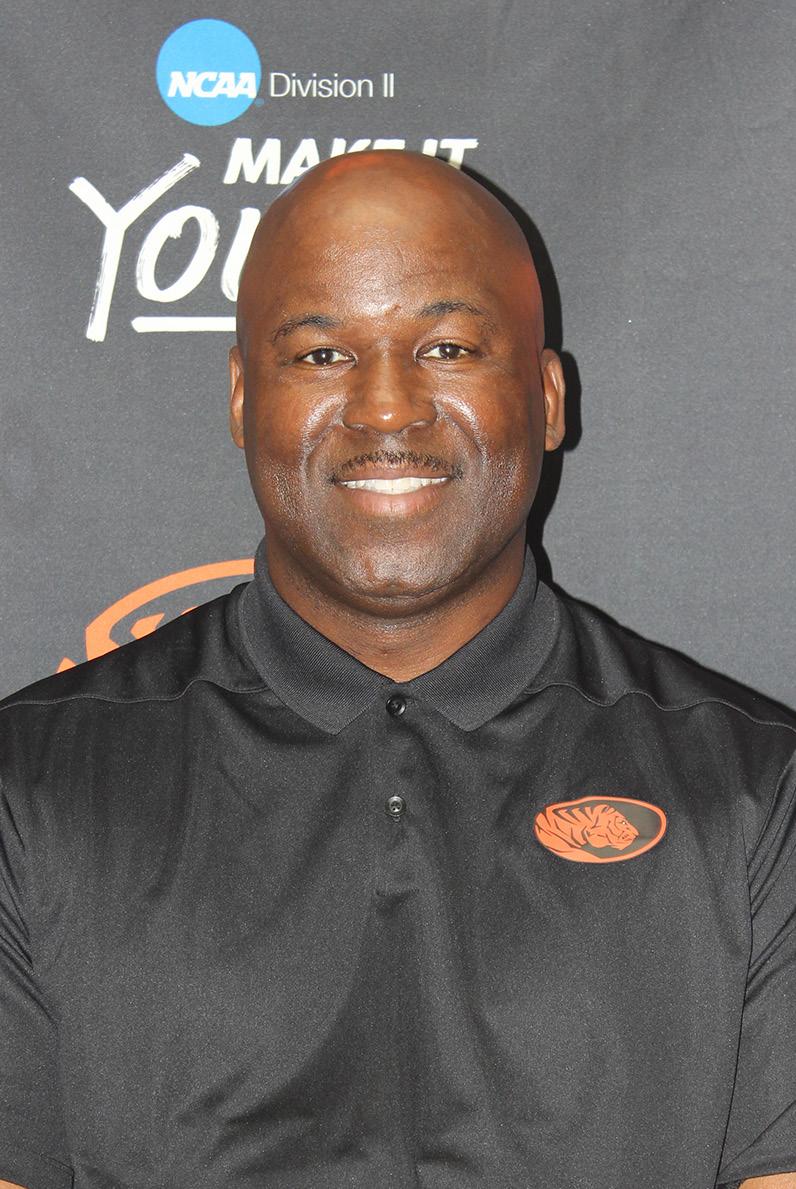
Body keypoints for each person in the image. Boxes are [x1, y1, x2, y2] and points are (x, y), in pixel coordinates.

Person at [0, 150, 793, 1189]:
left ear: (547, 396)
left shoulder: (753, 794)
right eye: (322, 354)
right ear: (242, 399)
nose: (385, 409)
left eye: (447, 347)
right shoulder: (33, 789)